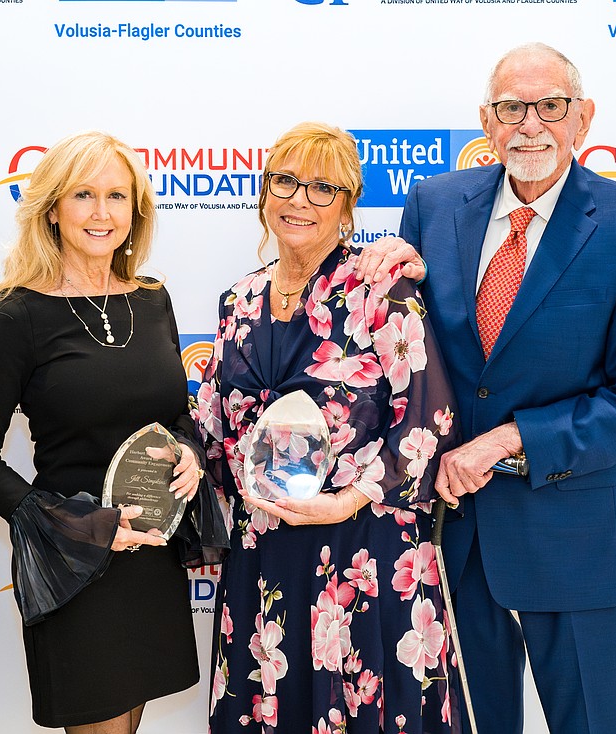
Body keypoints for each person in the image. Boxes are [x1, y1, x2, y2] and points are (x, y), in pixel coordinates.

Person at [356, 43, 616, 733]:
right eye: (511, 108)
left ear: (582, 117)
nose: (530, 124)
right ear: (487, 119)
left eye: (550, 106)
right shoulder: (434, 205)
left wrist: (509, 442)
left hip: (574, 539)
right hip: (453, 541)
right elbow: (416, 360)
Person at [0, 130, 226, 734]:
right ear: (52, 208)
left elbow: (172, 412)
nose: (102, 213)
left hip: (150, 559)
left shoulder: (153, 299)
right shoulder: (17, 314)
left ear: (136, 210)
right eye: (83, 195)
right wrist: (68, 524)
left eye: (116, 196)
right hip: (75, 561)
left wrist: (187, 451)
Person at [195, 121, 463, 733]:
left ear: (348, 205)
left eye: (323, 186)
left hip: (361, 551)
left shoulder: (379, 290)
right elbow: (213, 422)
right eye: (286, 181)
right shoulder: (238, 300)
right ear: (264, 193)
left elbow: (429, 416)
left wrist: (347, 501)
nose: (299, 199)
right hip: (263, 550)